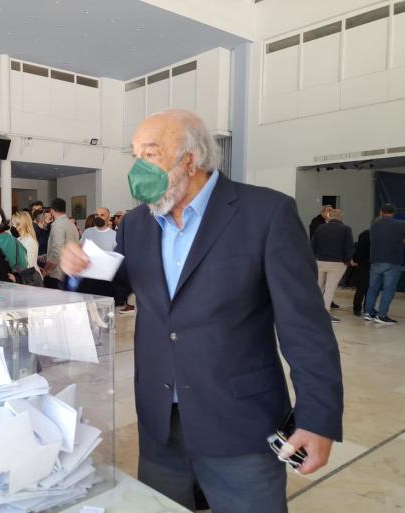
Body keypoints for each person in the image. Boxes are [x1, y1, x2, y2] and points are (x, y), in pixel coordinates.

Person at [61, 109, 342, 513]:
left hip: (239, 423)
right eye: (135, 155)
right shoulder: (138, 224)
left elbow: (305, 327)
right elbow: (117, 288)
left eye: (150, 154)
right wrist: (79, 271)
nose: (138, 168)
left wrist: (317, 418)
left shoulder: (266, 213)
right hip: (161, 423)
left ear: (189, 159)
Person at [364, 203, 405, 324]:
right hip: (392, 261)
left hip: (375, 260)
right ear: (394, 213)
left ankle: (368, 312)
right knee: (388, 289)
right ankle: (381, 315)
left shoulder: (374, 224)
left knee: (373, 288)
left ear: (381, 212)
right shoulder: (400, 224)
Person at [311, 208, 354, 323]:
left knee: (318, 288)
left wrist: (315, 258)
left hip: (320, 261)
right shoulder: (346, 229)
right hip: (336, 263)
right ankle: (325, 314)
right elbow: (349, 247)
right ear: (340, 217)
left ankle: (313, 312)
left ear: (329, 216)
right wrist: (346, 261)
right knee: (329, 290)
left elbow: (313, 244)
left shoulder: (320, 228)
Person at [44, 198, 80, 289]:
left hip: (58, 274)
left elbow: (57, 251)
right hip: (70, 271)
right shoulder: (71, 224)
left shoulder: (57, 225)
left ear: (52, 211)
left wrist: (47, 269)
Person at [0, 206, 28, 272]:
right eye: (12, 224)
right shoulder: (15, 241)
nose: (13, 227)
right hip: (14, 277)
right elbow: (24, 265)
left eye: (16, 224)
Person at [351, 229, 370, 316]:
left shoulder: (364, 234)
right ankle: (367, 308)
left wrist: (355, 260)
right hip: (371, 264)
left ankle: (357, 308)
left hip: (362, 265)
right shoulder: (373, 235)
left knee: (361, 288)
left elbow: (358, 251)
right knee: (369, 289)